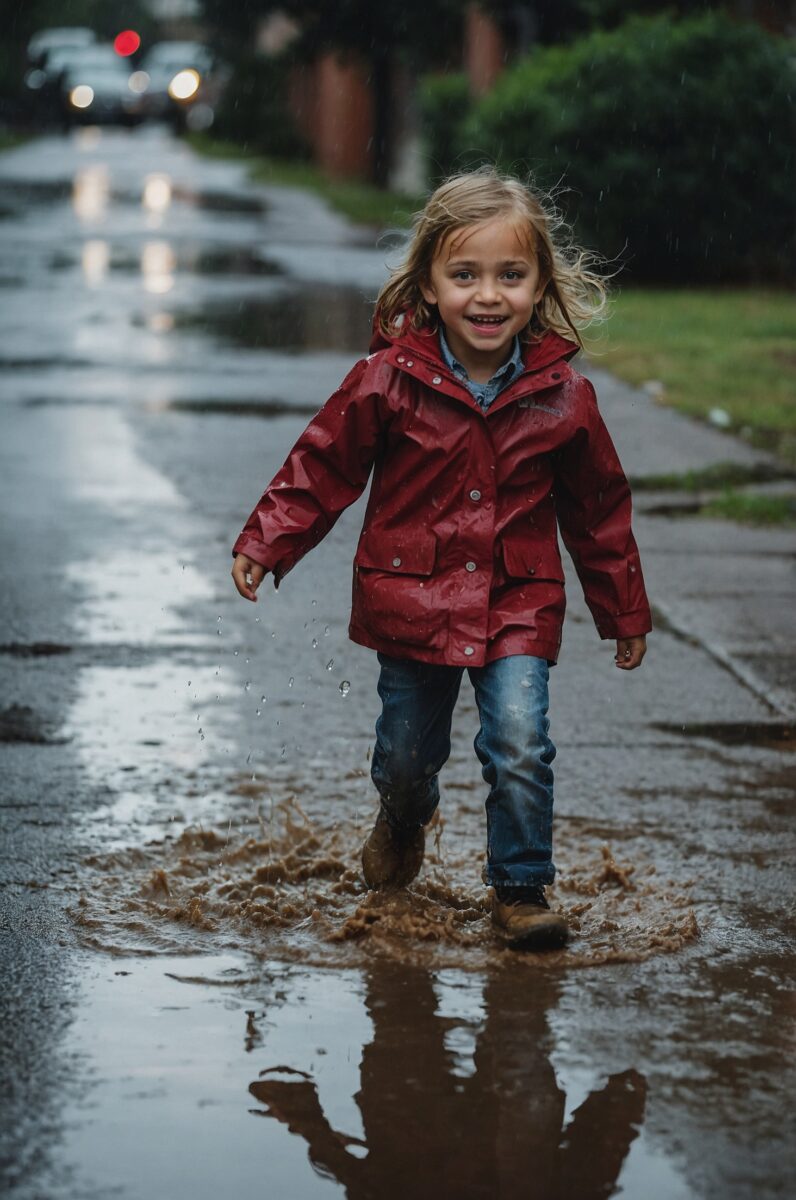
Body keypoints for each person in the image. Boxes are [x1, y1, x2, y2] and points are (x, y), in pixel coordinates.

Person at [231, 167, 651, 950]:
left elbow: (598, 512)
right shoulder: (388, 381)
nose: (488, 296)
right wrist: (268, 538)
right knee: (404, 755)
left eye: (510, 276)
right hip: (411, 600)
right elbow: (324, 465)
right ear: (428, 284)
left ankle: (522, 889)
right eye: (465, 275)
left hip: (515, 603)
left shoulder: (565, 398)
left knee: (521, 741)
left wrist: (623, 609)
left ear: (538, 286)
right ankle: (401, 816)